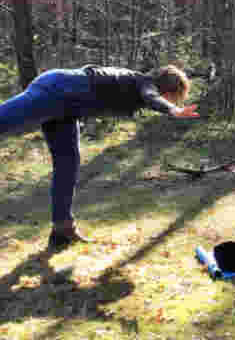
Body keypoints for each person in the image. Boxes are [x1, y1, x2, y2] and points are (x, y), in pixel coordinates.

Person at [0, 64, 200, 249]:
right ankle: (62, 229)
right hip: (58, 89)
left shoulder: (137, 83)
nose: (173, 101)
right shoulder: (145, 85)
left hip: (67, 110)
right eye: (174, 98)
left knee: (68, 165)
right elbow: (151, 96)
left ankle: (62, 230)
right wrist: (173, 110)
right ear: (168, 90)